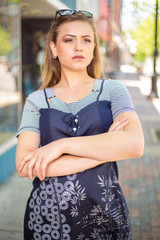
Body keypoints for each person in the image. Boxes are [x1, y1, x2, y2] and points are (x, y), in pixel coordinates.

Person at [16, 9, 144, 240]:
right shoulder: (36, 101)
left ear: (94, 47)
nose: (79, 47)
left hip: (106, 215)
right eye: (69, 40)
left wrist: (60, 146)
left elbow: (134, 145)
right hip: (47, 220)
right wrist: (107, 149)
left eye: (86, 40)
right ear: (54, 48)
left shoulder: (113, 91)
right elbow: (25, 166)